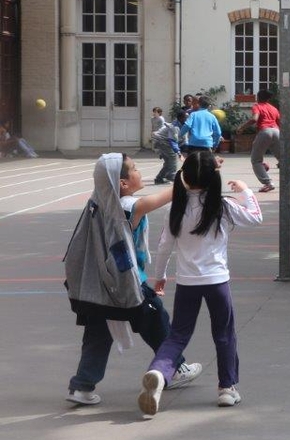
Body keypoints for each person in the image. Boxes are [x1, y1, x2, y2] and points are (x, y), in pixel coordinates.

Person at [64, 154, 203, 406]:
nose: (140, 172)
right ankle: (177, 368)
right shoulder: (126, 207)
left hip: (101, 288)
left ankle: (82, 386)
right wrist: (191, 173)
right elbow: (167, 195)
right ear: (123, 183)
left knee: (97, 336)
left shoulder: (97, 203)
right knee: (157, 321)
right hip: (128, 285)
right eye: (135, 169)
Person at [138, 151, 262, 415]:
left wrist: (159, 277)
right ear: (213, 178)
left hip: (187, 283)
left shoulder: (176, 208)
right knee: (224, 333)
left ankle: (159, 372)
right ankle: (227, 388)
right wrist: (245, 190)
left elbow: (163, 246)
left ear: (184, 178)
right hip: (217, 280)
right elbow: (255, 216)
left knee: (177, 335)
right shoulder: (222, 206)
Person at [237, 89, 281, 193]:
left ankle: (268, 183)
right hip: (276, 131)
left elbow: (254, 119)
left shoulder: (257, 106)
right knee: (283, 159)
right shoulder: (274, 108)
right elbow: (280, 122)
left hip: (265, 131)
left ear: (258, 97)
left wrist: (241, 127)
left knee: (256, 160)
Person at [151, 111, 184, 184]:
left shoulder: (181, 125)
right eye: (186, 117)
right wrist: (178, 153)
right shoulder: (174, 127)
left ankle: (159, 178)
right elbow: (172, 141)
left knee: (168, 162)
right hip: (162, 142)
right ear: (181, 118)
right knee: (173, 158)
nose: (188, 119)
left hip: (163, 142)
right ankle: (171, 175)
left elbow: (183, 140)